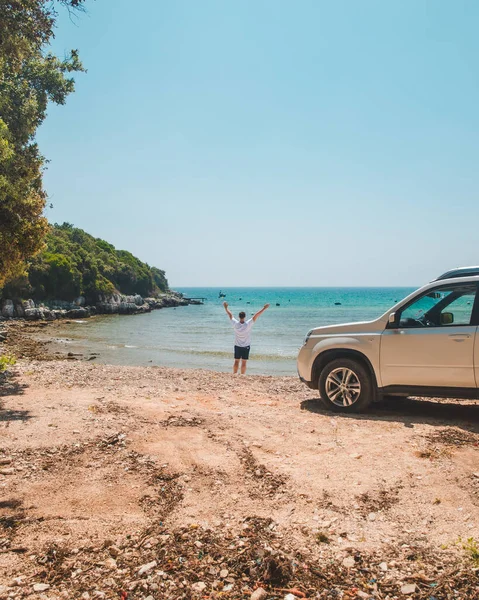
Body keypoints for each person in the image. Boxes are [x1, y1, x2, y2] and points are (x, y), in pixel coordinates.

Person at [223, 301, 270, 374]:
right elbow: (256, 315)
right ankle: (242, 375)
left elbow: (230, 315)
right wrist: (264, 308)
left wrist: (226, 308)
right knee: (244, 362)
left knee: (236, 361)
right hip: (246, 346)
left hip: (237, 346)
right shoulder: (248, 324)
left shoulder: (235, 324)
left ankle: (234, 374)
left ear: (239, 317)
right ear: (244, 317)